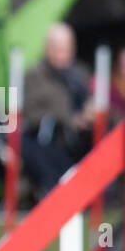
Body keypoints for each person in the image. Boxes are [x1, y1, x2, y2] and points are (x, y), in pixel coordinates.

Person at [24, 23, 91, 163]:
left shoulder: (80, 74)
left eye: (67, 49)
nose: (62, 55)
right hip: (51, 145)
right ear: (47, 48)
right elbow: (29, 116)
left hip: (83, 142)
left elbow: (90, 100)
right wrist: (69, 119)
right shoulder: (34, 77)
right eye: (58, 49)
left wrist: (90, 112)